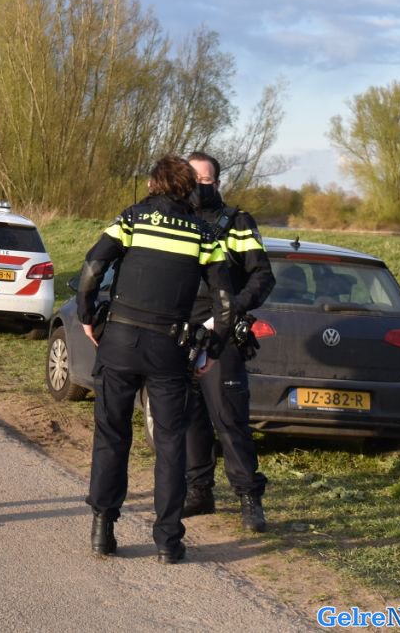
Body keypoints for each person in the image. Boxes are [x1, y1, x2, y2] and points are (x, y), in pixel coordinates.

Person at [76, 155, 234, 563]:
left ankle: (102, 528)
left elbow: (93, 266)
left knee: (112, 435)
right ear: (190, 188)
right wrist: (211, 350)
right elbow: (225, 301)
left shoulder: (131, 220)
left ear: (152, 184)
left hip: (120, 341)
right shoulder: (205, 233)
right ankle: (168, 539)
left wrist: (87, 316)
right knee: (169, 443)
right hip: (170, 350)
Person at [182, 151, 276, 532]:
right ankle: (198, 491)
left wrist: (231, 310)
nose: (200, 188)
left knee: (230, 420)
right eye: (193, 181)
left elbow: (262, 277)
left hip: (221, 334)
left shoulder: (236, 221)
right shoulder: (176, 221)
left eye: (206, 181)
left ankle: (249, 499)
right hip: (181, 334)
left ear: (217, 182)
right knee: (189, 419)